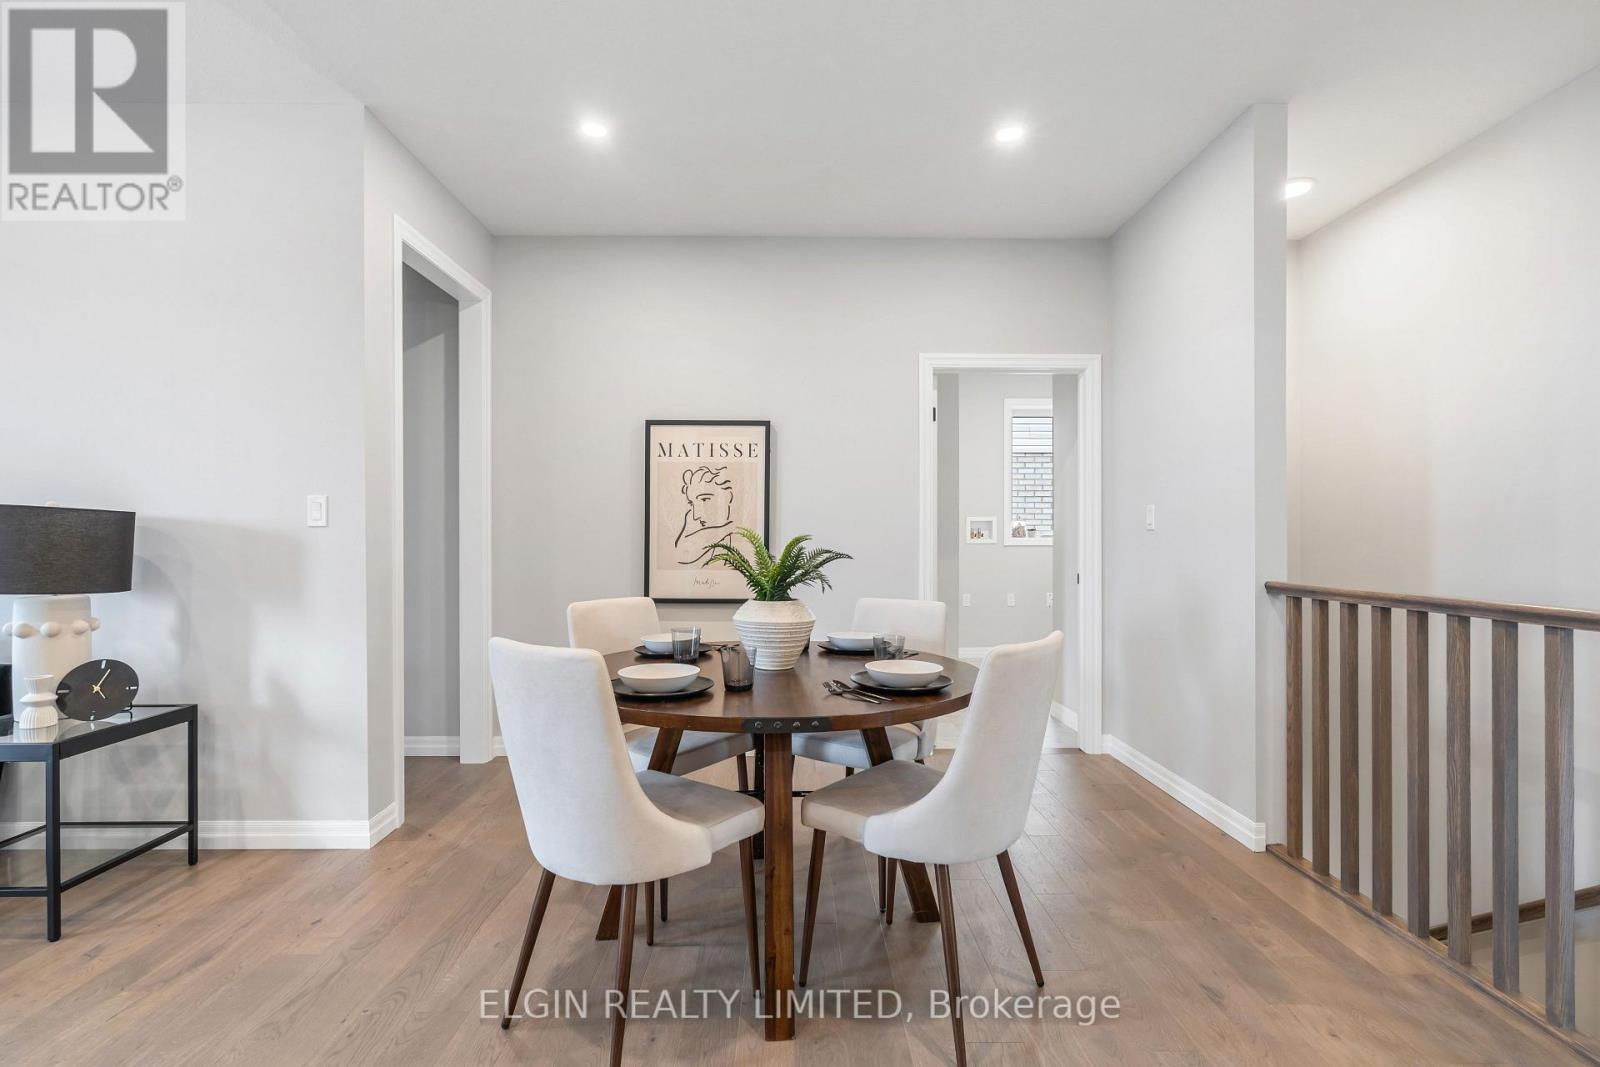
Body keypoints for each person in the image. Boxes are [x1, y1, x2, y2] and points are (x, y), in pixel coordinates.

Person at [674, 465, 737, 565]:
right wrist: (728, 528)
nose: (696, 516)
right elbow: (680, 555)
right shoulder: (691, 517)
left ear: (728, 497)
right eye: (691, 504)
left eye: (704, 500)